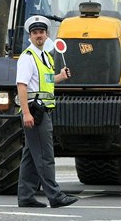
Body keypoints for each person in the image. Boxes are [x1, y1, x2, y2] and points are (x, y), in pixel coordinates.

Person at [16, 15, 78, 208]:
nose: (39, 35)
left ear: (46, 34)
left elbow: (46, 82)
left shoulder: (45, 57)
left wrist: (59, 76)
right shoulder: (28, 57)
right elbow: (22, 85)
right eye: (35, 33)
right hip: (35, 113)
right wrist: (26, 113)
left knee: (30, 157)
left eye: (41, 32)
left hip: (42, 111)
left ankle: (25, 196)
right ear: (30, 36)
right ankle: (55, 196)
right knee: (45, 156)